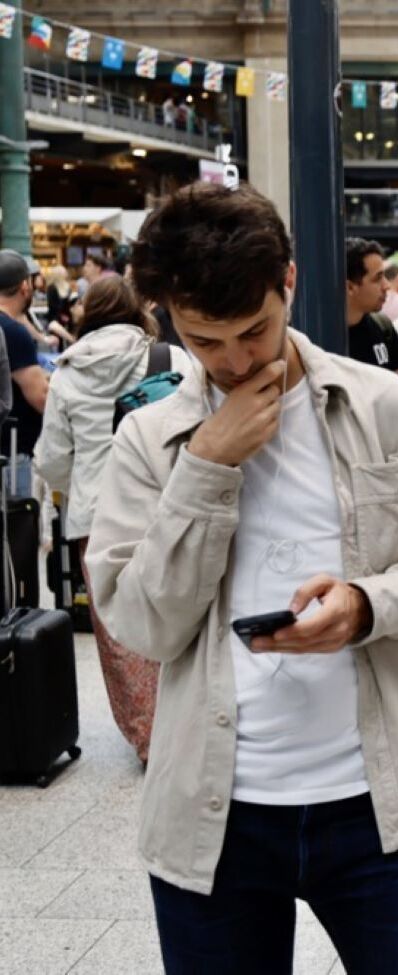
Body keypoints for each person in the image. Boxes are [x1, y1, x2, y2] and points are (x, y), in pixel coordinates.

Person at [85, 182, 398, 973]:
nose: (237, 362)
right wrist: (208, 461)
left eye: (255, 331)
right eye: (206, 342)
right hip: (213, 818)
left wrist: (367, 603)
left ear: (289, 281)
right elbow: (143, 624)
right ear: (168, 315)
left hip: (377, 805)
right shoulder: (150, 439)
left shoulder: (389, 408)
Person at [33, 276, 191, 765]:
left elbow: (55, 458)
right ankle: (189, 726)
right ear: (137, 311)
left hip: (96, 514)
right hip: (166, 503)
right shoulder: (169, 358)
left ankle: (148, 737)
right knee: (182, 611)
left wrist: (69, 485)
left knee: (118, 629)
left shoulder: (67, 372)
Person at [0, 250, 49, 496]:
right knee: (16, 526)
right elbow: (41, 398)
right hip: (12, 448)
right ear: (24, 287)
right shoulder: (12, 332)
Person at [344, 238, 398, 381]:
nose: (387, 285)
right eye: (377, 279)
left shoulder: (382, 326)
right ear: (350, 287)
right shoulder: (315, 337)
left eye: (385, 277)